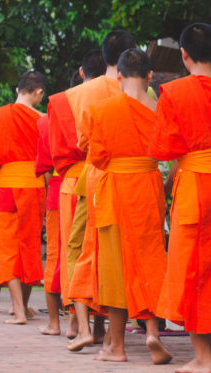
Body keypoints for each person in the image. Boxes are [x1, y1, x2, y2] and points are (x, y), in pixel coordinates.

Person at [149, 23, 211, 373]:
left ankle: (202, 359)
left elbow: (164, 148)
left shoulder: (175, 92)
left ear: (183, 55)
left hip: (195, 186)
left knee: (193, 269)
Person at [87, 48, 171, 365]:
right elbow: (168, 151)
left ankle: (117, 347)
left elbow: (97, 158)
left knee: (115, 268)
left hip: (116, 190)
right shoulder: (160, 110)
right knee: (149, 259)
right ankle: (152, 332)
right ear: (150, 75)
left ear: (118, 76)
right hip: (148, 187)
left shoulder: (103, 109)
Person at [48, 43, 120, 351]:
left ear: (81, 72)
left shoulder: (64, 100)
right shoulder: (126, 91)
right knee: (106, 248)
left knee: (75, 248)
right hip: (117, 176)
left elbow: (57, 152)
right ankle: (104, 326)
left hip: (77, 180)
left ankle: (78, 324)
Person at [0, 71, 46, 325]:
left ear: (17, 90)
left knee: (6, 248)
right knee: (29, 247)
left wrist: (8, 171)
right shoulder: (42, 119)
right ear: (38, 92)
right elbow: (48, 159)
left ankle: (18, 311)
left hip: (6, 185)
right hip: (33, 187)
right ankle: (24, 306)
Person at [35, 112, 63, 335]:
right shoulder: (95, 108)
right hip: (92, 183)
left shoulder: (48, 120)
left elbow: (44, 165)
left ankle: (54, 323)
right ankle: (85, 325)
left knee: (55, 254)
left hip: (58, 186)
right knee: (87, 254)